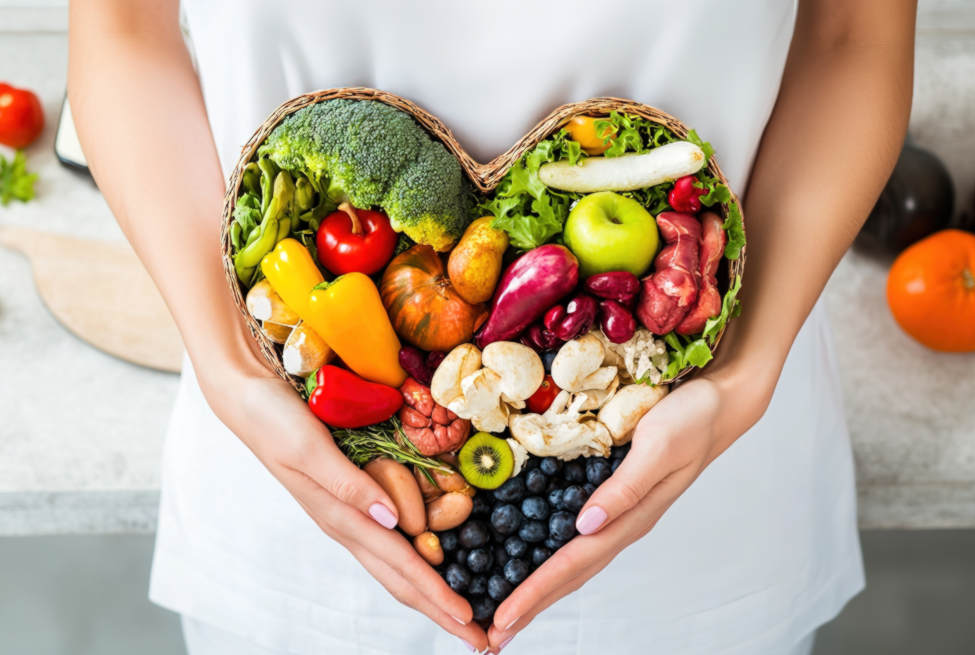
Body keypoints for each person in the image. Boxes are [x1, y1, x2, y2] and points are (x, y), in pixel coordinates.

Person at [67, 0, 916, 653]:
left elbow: (854, 36)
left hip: (707, 507)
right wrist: (226, 364)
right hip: (291, 499)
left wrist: (745, 369)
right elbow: (121, 31)